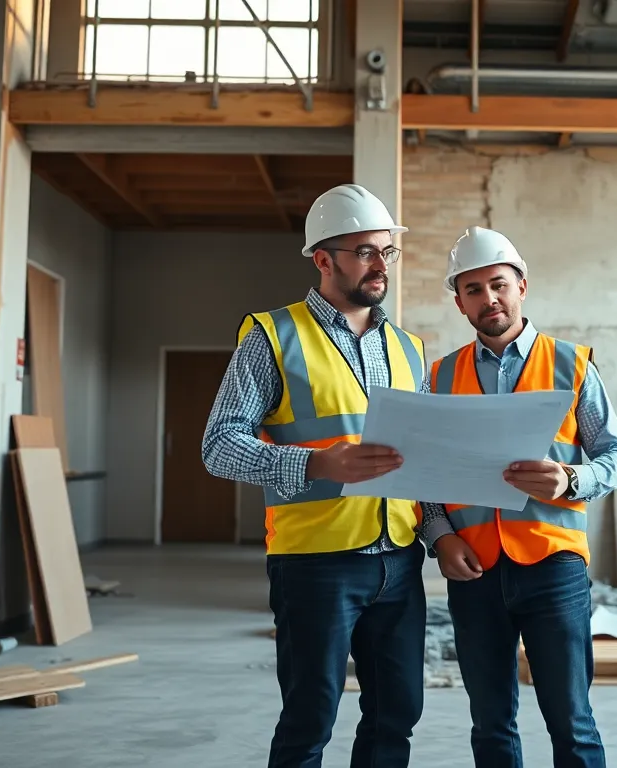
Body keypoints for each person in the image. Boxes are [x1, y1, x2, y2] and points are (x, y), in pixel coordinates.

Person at [201, 183, 430, 768]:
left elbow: (425, 454)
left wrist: (441, 533)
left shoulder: (409, 348)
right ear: (323, 259)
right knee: (310, 718)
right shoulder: (272, 335)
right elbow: (218, 446)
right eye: (364, 252)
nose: (380, 265)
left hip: (398, 559)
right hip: (315, 563)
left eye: (386, 251)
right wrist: (314, 463)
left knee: (395, 716)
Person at [419, 226, 617, 768]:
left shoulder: (573, 365)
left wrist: (572, 479)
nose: (488, 298)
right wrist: (441, 537)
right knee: (491, 726)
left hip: (553, 566)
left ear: (522, 286)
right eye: (473, 289)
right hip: (472, 570)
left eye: (498, 284)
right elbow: (425, 474)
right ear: (459, 301)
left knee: (572, 722)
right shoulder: (440, 376)